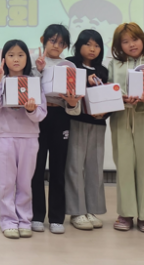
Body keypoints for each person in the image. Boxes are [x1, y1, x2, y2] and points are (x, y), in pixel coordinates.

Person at [107, 23, 144, 232]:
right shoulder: (114, 65)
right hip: (121, 118)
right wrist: (120, 98)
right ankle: (125, 214)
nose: (131, 44)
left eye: (135, 39)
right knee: (124, 166)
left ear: (143, 39)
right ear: (119, 45)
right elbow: (106, 91)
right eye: (125, 41)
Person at [0, 39, 47, 239]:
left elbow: (41, 114)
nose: (16, 59)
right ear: (4, 59)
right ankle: (8, 221)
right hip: (6, 136)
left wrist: (31, 110)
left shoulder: (34, 83)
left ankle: (24, 220)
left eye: (20, 55)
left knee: (24, 183)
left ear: (26, 59)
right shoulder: (2, 81)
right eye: (11, 55)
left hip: (29, 137)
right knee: (6, 183)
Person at [31, 24, 82, 234]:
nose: (56, 45)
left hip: (60, 117)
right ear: (43, 40)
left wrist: (72, 102)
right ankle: (36, 215)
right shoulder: (35, 62)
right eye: (53, 41)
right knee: (36, 169)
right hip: (38, 117)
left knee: (58, 169)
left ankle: (56, 217)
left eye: (61, 43)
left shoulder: (69, 66)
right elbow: (28, 90)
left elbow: (75, 103)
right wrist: (39, 70)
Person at [64, 30, 110, 231]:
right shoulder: (70, 64)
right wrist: (84, 81)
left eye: (97, 45)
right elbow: (65, 89)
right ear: (79, 45)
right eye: (88, 44)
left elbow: (108, 97)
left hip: (98, 123)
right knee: (74, 166)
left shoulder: (103, 70)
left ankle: (92, 209)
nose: (92, 49)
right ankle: (76, 211)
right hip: (75, 121)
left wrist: (104, 114)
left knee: (95, 167)